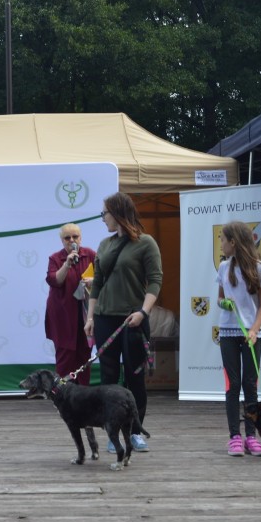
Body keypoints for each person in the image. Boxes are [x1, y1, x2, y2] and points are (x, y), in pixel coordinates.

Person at [84, 193, 162, 453]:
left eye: (104, 213)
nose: (102, 218)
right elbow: (97, 283)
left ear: (117, 213)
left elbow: (155, 281)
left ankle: (136, 431)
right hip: (105, 317)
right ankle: (113, 433)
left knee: (134, 376)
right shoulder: (105, 244)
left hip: (133, 319)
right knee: (108, 379)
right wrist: (90, 316)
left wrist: (143, 312)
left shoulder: (146, 243)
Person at [216, 221, 261, 458]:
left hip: (251, 333)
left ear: (233, 242)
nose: (221, 243)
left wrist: (255, 329)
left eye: (223, 240)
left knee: (250, 384)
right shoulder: (223, 267)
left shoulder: (259, 268)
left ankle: (251, 436)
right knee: (232, 385)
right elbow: (219, 298)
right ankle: (234, 437)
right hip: (228, 331)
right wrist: (223, 303)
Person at [45, 223, 96, 385]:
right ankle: (64, 396)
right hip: (63, 316)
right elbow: (55, 280)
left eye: (75, 237)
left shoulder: (90, 255)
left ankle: (83, 395)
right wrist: (67, 264)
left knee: (84, 355)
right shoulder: (55, 258)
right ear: (62, 240)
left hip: (85, 315)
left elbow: (105, 278)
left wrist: (93, 281)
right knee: (65, 356)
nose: (71, 240)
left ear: (81, 238)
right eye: (67, 238)